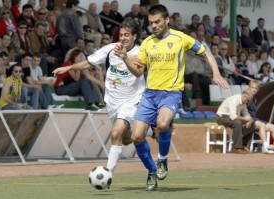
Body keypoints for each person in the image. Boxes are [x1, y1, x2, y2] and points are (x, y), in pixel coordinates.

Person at [113, 4, 228, 191]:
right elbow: (138, 72)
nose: (154, 26)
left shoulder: (181, 38)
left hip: (171, 92)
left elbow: (206, 52)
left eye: (157, 22)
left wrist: (215, 73)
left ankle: (163, 160)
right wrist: (126, 58)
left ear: (167, 20)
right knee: (135, 136)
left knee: (163, 124)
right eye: (151, 23)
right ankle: (152, 171)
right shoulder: (148, 43)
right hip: (149, 95)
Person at [53, 18, 154, 177]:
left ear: (135, 36)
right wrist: (68, 67)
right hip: (113, 102)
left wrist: (125, 58)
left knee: (115, 133)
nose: (123, 38)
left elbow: (137, 73)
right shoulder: (110, 49)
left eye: (127, 35)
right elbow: (88, 63)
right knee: (127, 139)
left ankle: (108, 174)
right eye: (121, 35)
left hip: (132, 100)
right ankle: (148, 132)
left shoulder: (141, 52)